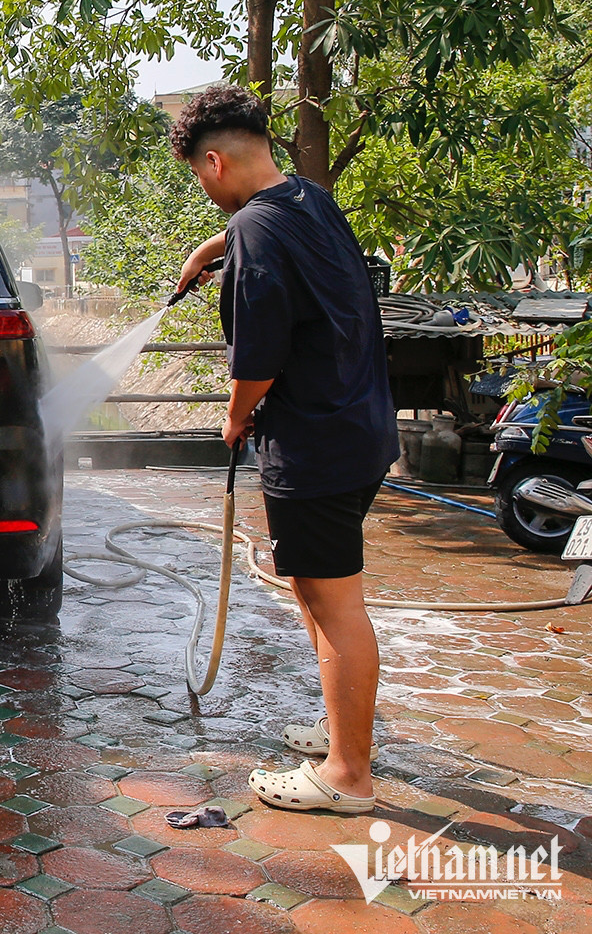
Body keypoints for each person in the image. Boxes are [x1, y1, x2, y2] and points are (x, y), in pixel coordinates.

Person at [171, 84, 397, 815]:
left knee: (333, 606)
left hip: (314, 444)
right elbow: (271, 240)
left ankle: (348, 777)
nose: (204, 189)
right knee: (313, 590)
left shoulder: (256, 231)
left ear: (214, 162)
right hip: (358, 426)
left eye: (199, 176)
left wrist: (235, 418)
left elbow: (258, 358)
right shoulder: (308, 198)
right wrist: (211, 249)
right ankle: (342, 732)